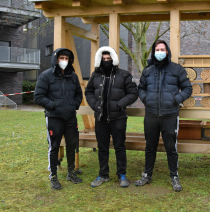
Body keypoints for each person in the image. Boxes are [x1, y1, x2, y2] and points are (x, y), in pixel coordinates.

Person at [135, 40, 192, 192]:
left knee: (170, 148)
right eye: (157, 49)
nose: (159, 52)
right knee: (150, 147)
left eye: (162, 49)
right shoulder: (147, 71)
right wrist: (146, 99)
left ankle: (174, 176)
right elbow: (141, 88)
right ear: (153, 52)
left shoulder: (177, 69)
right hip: (151, 115)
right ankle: (147, 174)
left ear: (167, 52)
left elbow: (187, 88)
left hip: (170, 115)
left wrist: (176, 100)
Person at [85, 46, 138, 188]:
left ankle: (122, 174)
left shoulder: (124, 75)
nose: (106, 61)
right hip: (101, 118)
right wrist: (95, 105)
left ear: (114, 58)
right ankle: (103, 174)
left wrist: (120, 105)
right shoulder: (95, 75)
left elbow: (133, 93)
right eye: (104, 59)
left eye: (109, 58)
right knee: (102, 148)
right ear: (100, 60)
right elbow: (88, 92)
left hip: (118, 118)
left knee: (119, 146)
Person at [34, 48, 83, 190]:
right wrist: (53, 105)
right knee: (54, 146)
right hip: (54, 117)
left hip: (70, 117)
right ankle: (53, 175)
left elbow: (79, 94)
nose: (64, 61)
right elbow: (38, 96)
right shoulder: (46, 76)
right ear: (56, 59)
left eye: (67, 59)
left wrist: (74, 104)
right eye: (62, 58)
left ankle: (71, 172)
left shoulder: (73, 76)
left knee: (72, 145)